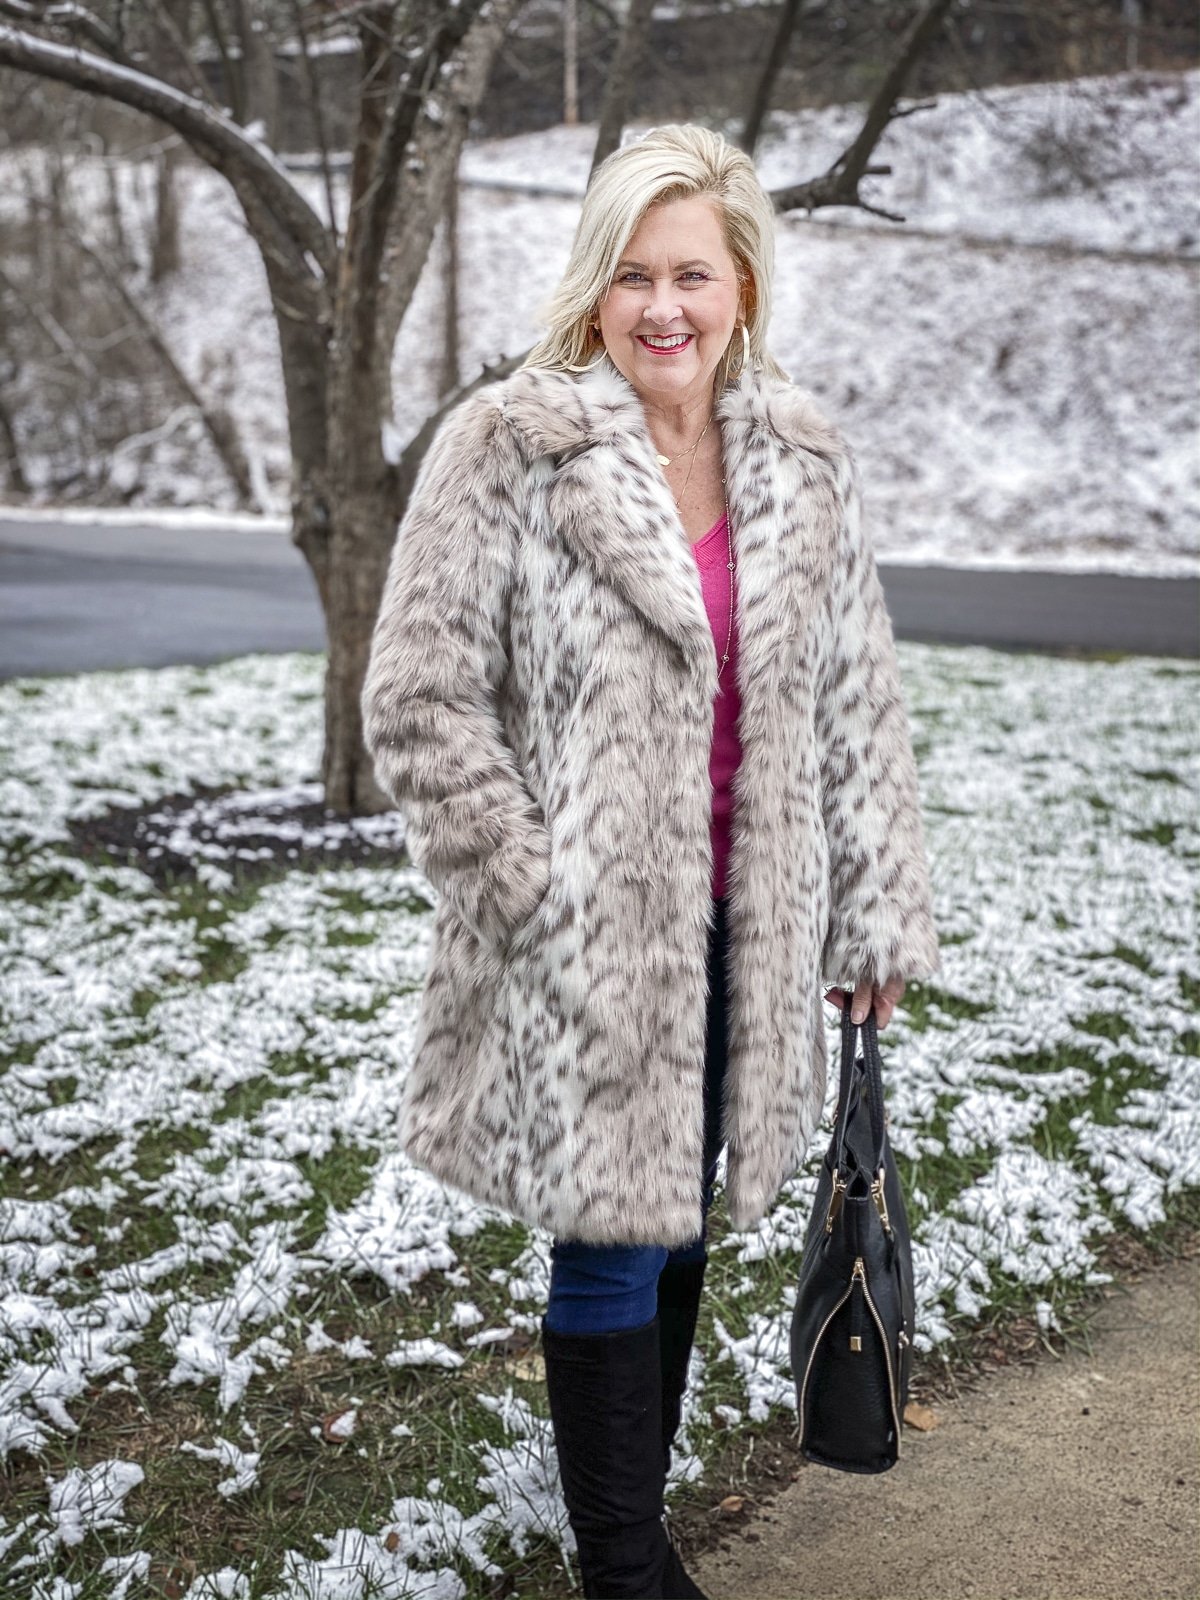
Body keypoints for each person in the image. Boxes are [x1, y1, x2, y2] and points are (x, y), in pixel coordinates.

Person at [361, 123, 939, 1600]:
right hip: (587, 936)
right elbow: (420, 697)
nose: (662, 307)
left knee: (680, 1233)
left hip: (753, 924)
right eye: (633, 275)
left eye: (692, 272)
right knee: (613, 1240)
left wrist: (872, 919)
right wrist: (529, 890)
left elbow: (854, 704)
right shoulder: (513, 444)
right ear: (595, 288)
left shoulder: (804, 461)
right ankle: (622, 1559)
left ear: (742, 281)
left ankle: (637, 1519)